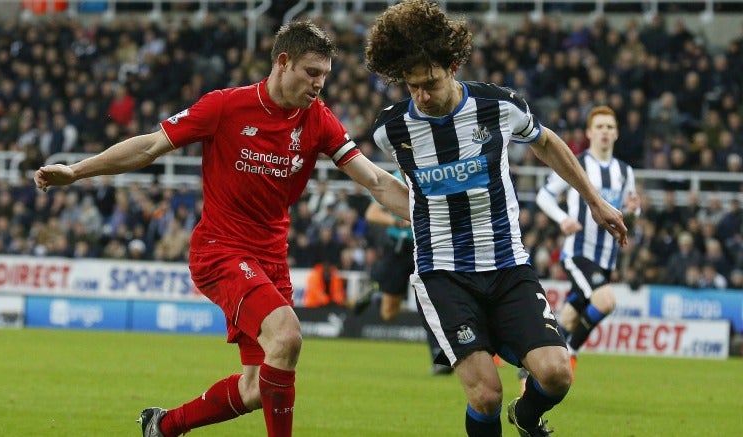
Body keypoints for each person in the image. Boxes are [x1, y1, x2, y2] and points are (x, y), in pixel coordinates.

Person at [34, 21, 410, 437]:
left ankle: (163, 425)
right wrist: (76, 170)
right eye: (311, 72)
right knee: (286, 337)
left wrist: (434, 217)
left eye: (324, 75)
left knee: (255, 388)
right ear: (283, 63)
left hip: (271, 258)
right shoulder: (225, 106)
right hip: (221, 250)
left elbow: (376, 181)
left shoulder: (318, 121)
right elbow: (149, 145)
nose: (319, 84)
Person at [364, 2, 628, 436]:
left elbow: (546, 144)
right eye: (412, 87)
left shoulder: (498, 105)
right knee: (486, 394)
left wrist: (595, 200)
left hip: (507, 265)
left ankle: (526, 417)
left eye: (429, 82)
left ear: (452, 67)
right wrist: (417, 211)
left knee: (557, 372)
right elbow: (389, 187)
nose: (422, 96)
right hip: (444, 273)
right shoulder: (391, 130)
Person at [532, 105, 640, 381]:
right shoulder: (576, 165)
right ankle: (572, 350)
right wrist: (562, 219)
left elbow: (630, 214)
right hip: (579, 251)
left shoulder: (625, 172)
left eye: (610, 127)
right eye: (600, 127)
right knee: (605, 301)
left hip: (606, 257)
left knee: (565, 321)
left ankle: (530, 366)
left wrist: (633, 211)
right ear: (590, 132)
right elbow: (544, 196)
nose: (605, 132)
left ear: (616, 134)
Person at [361, 170, 454, 375]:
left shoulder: (435, 174)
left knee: (430, 301)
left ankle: (440, 357)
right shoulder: (395, 176)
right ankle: (378, 294)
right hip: (399, 248)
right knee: (388, 312)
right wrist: (396, 221)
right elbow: (372, 213)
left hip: (427, 248)